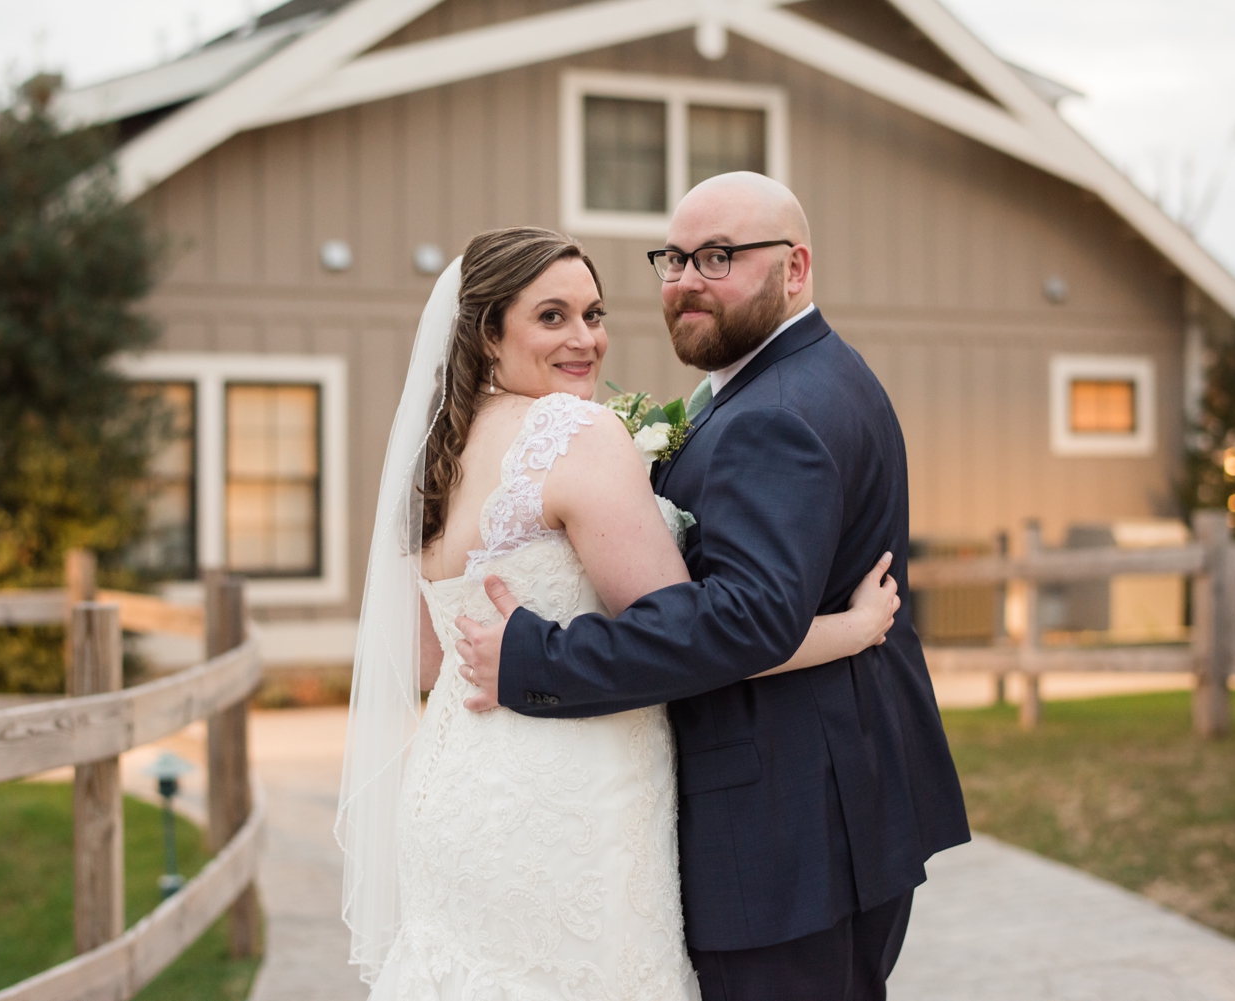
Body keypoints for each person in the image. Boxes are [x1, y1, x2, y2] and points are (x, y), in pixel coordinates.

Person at [338, 225, 903, 1000]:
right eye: (552, 317)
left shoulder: (436, 449)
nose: (586, 340)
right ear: (486, 333)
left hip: (455, 791)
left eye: (595, 314)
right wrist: (853, 629)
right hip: (570, 794)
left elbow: (426, 662)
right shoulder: (578, 432)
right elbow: (696, 638)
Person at [455, 175, 971, 1001]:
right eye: (675, 258)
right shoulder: (801, 380)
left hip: (784, 831)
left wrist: (540, 655)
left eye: (720, 256)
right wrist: (849, 628)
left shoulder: (779, 410)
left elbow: (745, 618)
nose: (687, 278)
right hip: (828, 808)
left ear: (795, 269)